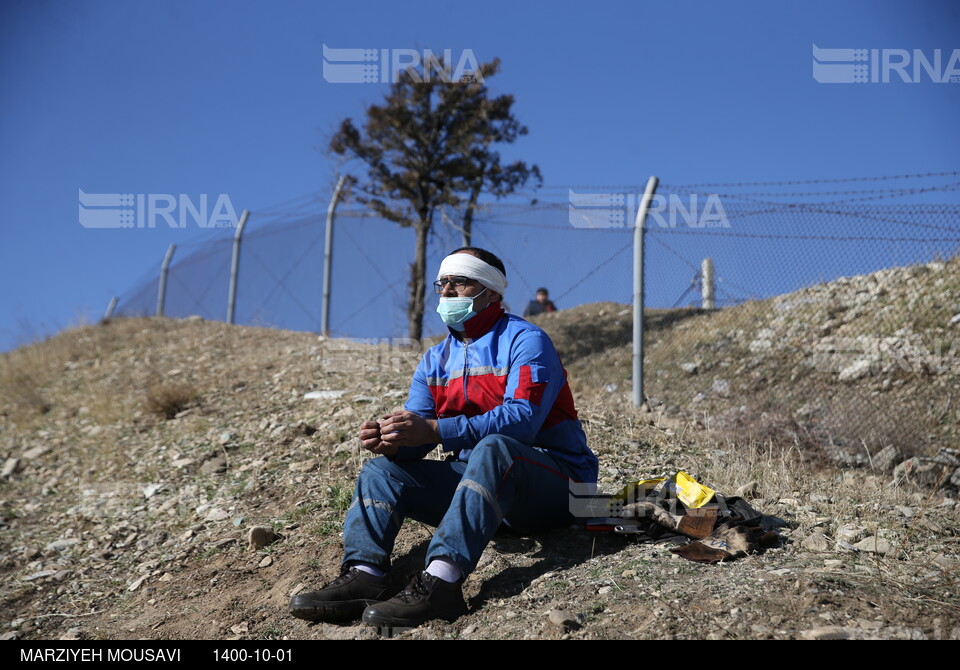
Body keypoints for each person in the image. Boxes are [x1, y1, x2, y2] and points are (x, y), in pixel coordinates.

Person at [289, 247, 597, 628]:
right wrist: (396, 441)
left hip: (559, 487)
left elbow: (523, 421)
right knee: (381, 472)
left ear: (491, 292)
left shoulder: (527, 340)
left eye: (460, 282)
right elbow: (418, 426)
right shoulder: (435, 359)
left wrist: (436, 430)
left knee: (494, 447)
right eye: (442, 283)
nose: (447, 291)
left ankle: (442, 583)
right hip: (484, 494)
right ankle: (366, 575)